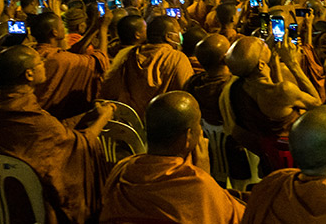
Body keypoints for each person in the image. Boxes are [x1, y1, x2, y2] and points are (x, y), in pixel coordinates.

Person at [0, 45, 113, 224]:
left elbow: (53, 131)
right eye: (41, 62)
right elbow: (78, 144)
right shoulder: (32, 119)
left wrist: (85, 116)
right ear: (29, 75)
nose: (44, 64)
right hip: (30, 198)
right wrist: (103, 117)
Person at [100, 91, 245, 223]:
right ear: (188, 136)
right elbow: (236, 216)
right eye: (198, 124)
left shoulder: (122, 168)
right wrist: (204, 173)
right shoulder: (197, 184)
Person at [220, 36, 321, 157]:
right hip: (292, 152)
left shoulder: (236, 87)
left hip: (265, 152)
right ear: (261, 65)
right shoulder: (285, 90)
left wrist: (275, 63)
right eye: (262, 45)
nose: (265, 43)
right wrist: (292, 63)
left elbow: (277, 95)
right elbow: (317, 105)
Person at [101, 16, 196, 119]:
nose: (181, 34)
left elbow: (108, 89)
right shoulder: (177, 58)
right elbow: (187, 96)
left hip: (130, 121)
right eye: (178, 31)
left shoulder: (127, 54)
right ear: (169, 37)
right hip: (161, 123)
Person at [30, 11, 111, 120]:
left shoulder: (35, 52)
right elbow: (100, 61)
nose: (65, 28)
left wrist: (94, 27)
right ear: (55, 32)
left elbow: (73, 51)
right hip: (54, 120)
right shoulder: (60, 59)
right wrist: (104, 29)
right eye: (62, 25)